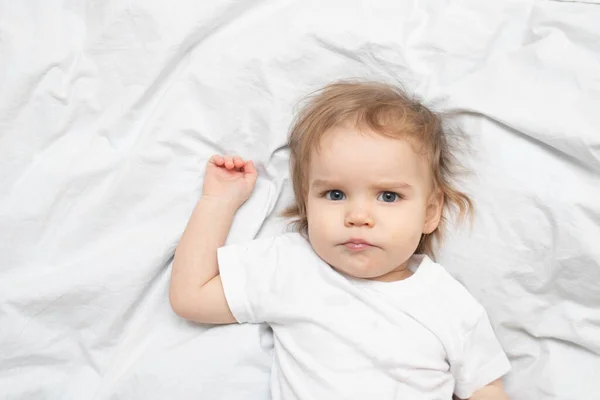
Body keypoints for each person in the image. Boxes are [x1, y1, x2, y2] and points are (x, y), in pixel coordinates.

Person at [169, 81, 511, 399]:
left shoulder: (447, 302)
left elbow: (484, 386)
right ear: (306, 204)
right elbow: (190, 297)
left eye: (388, 196)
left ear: (429, 213)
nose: (358, 216)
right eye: (335, 194)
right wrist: (218, 203)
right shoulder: (291, 266)